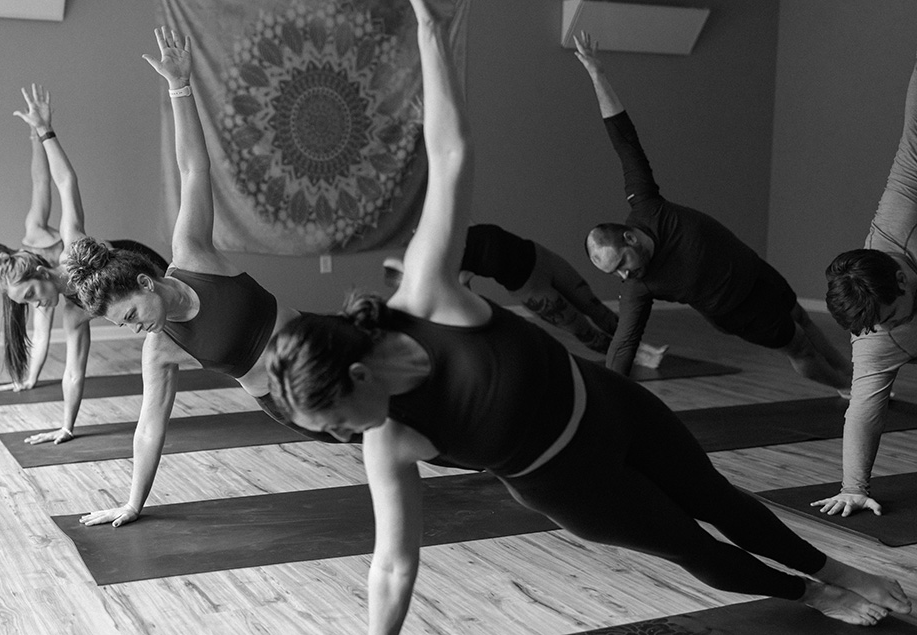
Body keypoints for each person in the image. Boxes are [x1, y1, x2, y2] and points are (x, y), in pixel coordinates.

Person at [263, 9, 910, 631]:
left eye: (338, 424)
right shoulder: (389, 441)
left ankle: (839, 568)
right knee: (696, 549)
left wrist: (431, 33)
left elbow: (450, 153)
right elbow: (392, 565)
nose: (346, 439)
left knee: (723, 501)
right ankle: (814, 593)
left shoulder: (428, 299)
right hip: (570, 484)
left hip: (612, 406)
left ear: (356, 372)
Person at [64, 27, 357, 529]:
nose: (135, 329)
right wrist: (133, 502)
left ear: (145, 284)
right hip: (292, 402)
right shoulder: (160, 349)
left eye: (131, 315)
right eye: (123, 326)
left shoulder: (193, 254)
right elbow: (149, 426)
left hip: (326, 346)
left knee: (424, 399)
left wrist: (180, 86)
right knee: (395, 439)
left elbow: (193, 171)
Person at [573, 35, 853, 392]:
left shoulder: (647, 204)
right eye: (616, 272)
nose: (625, 274)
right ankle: (846, 390)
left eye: (622, 262)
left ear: (629, 237)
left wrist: (597, 73)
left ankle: (851, 375)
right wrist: (608, 397)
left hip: (754, 271)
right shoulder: (639, 286)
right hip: (737, 310)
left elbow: (625, 142)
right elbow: (623, 345)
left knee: (798, 314)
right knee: (798, 345)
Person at [0, 84, 167, 446]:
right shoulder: (72, 313)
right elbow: (74, 371)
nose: (34, 305)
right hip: (127, 296)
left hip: (141, 264)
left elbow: (63, 181)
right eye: (24, 301)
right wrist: (66, 426)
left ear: (40, 273)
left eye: (30, 294)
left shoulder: (72, 246)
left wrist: (43, 132)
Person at [818, 54, 917, 517]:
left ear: (901, 276)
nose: (876, 331)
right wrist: (853, 486)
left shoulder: (903, 215)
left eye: (889, 316)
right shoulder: (875, 336)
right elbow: (864, 411)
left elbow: (913, 134)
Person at [382, 223, 667, 367]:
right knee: (583, 331)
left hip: (542, 258)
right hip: (530, 289)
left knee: (594, 307)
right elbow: (462, 298)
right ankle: (634, 357)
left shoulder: (454, 226)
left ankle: (640, 346)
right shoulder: (448, 263)